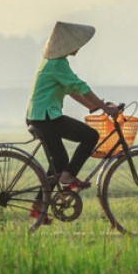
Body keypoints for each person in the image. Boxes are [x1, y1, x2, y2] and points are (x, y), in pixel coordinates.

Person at [26, 22, 120, 195]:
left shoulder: (51, 62)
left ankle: (39, 206)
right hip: (46, 118)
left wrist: (93, 106)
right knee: (91, 136)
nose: (78, 47)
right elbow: (80, 86)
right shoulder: (58, 64)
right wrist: (105, 109)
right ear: (66, 46)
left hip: (38, 116)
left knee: (60, 164)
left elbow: (71, 89)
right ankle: (68, 178)